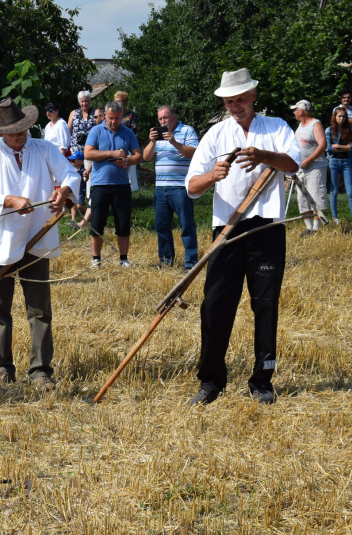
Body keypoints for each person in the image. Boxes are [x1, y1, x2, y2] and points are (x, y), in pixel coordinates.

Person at [185, 68, 300, 405]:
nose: (235, 105)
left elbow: (293, 164)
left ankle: (262, 380)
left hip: (266, 228)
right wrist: (211, 175)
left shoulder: (276, 127)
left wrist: (264, 156)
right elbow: (192, 187)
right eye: (229, 101)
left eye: (240, 99)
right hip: (227, 228)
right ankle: (211, 382)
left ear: (253, 96)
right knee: (215, 303)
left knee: (265, 305)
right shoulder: (216, 134)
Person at [0, 98, 79, 389]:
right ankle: (2, 368)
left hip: (37, 238)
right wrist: (8, 199)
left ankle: (40, 371)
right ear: (0, 133)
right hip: (0, 242)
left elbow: (70, 173)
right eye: (13, 130)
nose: (20, 134)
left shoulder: (44, 149)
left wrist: (65, 190)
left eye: (23, 128)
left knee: (39, 309)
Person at [82, 101, 142, 268]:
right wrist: (111, 153)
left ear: (122, 117)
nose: (114, 121)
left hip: (122, 185)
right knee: (97, 223)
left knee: (123, 223)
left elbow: (138, 156)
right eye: (110, 118)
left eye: (117, 118)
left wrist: (126, 160)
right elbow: (88, 153)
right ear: (104, 116)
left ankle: (123, 258)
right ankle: (96, 259)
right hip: (100, 184)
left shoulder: (128, 133)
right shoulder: (96, 130)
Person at [142, 105, 200, 269]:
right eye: (160, 119)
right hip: (161, 188)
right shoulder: (157, 137)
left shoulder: (187, 131)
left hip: (180, 187)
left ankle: (190, 263)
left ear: (174, 117)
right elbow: (146, 157)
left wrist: (173, 141)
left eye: (165, 118)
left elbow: (194, 152)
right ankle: (166, 261)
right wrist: (153, 142)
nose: (162, 121)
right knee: (162, 226)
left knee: (186, 225)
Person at [290, 100, 328, 236]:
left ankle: (316, 229)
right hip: (301, 169)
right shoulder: (299, 126)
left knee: (316, 197)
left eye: (295, 110)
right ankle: (308, 228)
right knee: (302, 199)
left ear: (301, 111)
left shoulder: (315, 124)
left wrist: (308, 161)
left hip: (315, 167)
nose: (294, 112)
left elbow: (322, 145)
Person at [326, 107, 352, 224]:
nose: (341, 118)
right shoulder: (329, 130)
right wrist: (345, 148)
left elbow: (351, 148)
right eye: (339, 116)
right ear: (335, 117)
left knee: (350, 192)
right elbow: (328, 148)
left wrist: (338, 146)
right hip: (334, 162)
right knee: (334, 191)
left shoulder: (349, 130)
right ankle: (335, 218)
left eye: (343, 116)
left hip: (347, 162)